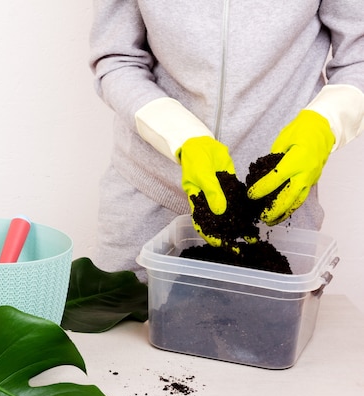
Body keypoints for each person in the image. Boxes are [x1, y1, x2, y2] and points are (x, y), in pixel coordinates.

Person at [89, 1, 364, 280]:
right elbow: (118, 58)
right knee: (130, 323)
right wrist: (178, 133)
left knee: (272, 324)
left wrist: (326, 121)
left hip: (278, 205)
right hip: (146, 204)